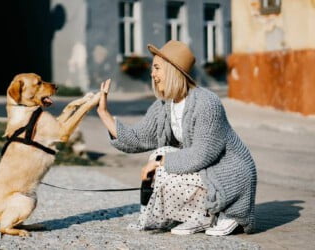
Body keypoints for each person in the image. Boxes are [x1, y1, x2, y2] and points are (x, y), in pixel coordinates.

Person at [97, 40, 257, 236]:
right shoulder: (164, 105)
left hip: (228, 174)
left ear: (173, 70)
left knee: (161, 161)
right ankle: (199, 216)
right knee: (160, 153)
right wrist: (104, 113)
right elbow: (137, 138)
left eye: (157, 68)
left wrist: (159, 163)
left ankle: (222, 213)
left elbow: (202, 154)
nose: (152, 74)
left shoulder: (207, 103)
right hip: (206, 171)